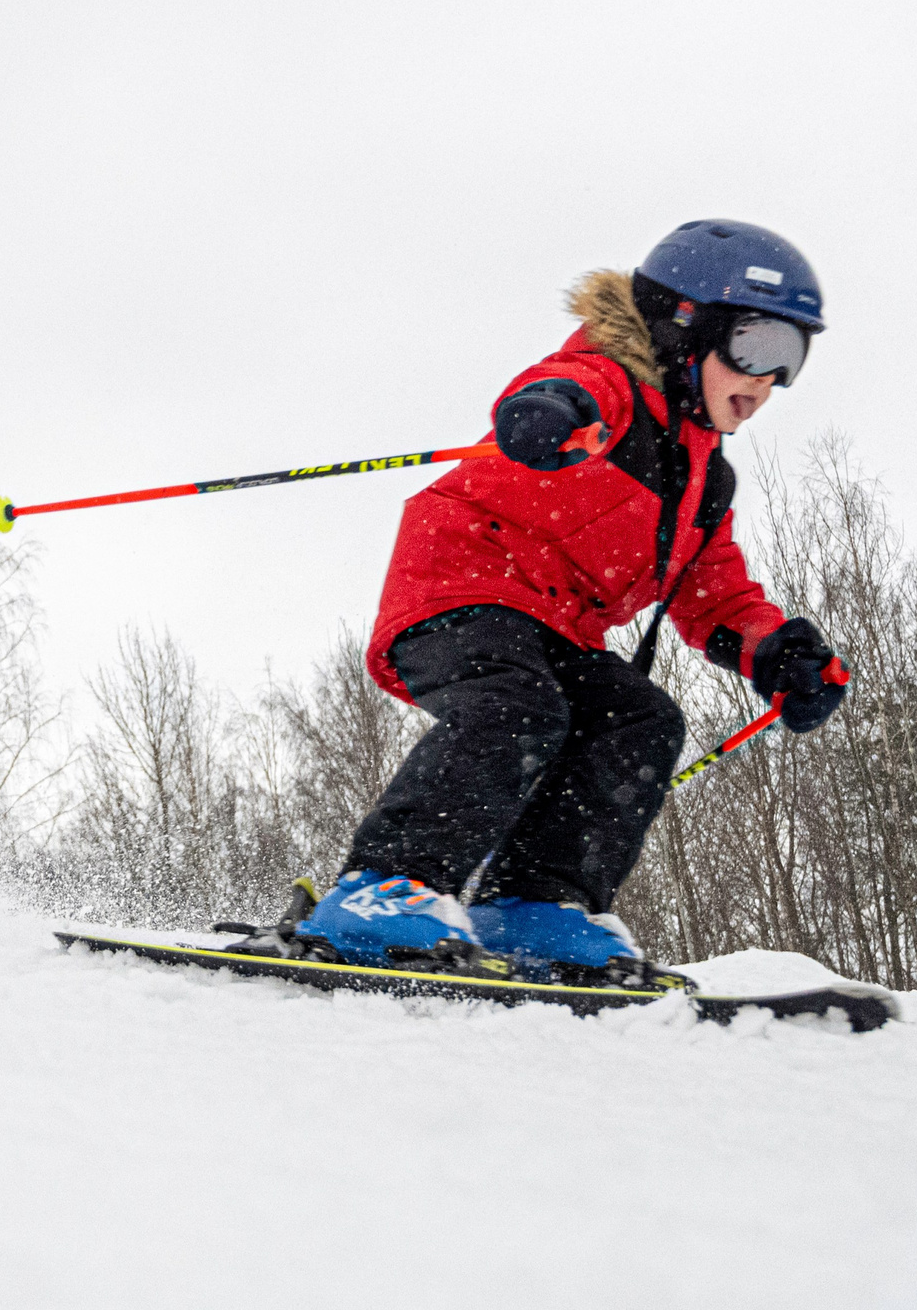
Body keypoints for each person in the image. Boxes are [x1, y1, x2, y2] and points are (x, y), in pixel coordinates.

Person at [284, 220, 849, 986]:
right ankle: (385, 888)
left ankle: (531, 905)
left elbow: (714, 589)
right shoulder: (612, 387)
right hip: (464, 587)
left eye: (792, 360)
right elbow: (566, 383)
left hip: (556, 628)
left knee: (641, 719)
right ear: (686, 327)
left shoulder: (702, 479)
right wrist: (548, 411)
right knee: (518, 707)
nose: (767, 383)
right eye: (756, 348)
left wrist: (775, 650)